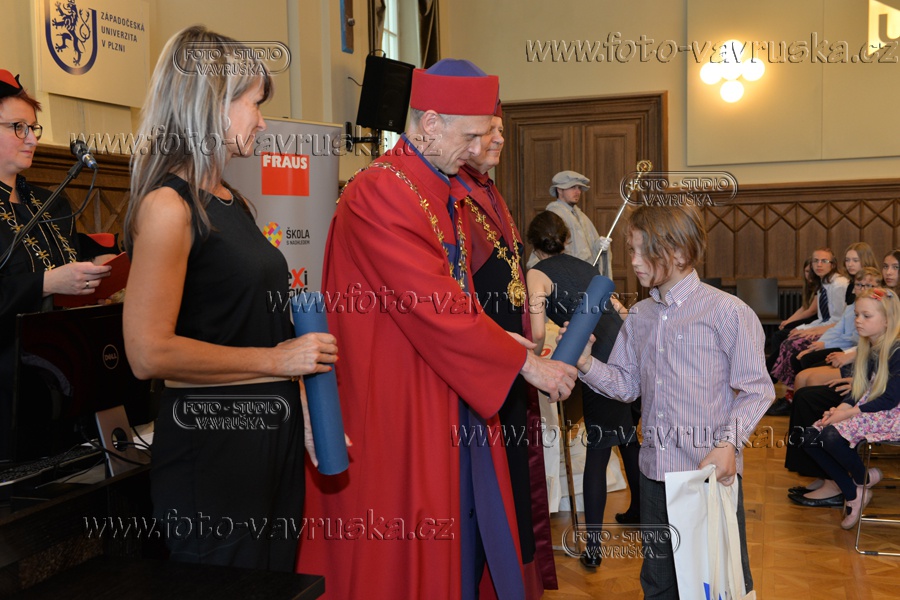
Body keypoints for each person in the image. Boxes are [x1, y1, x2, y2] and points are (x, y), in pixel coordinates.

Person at [297, 59, 577, 600]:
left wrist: (503, 341)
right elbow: (433, 303)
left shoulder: (437, 187)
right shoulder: (380, 190)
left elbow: (458, 297)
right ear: (430, 124)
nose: (476, 149)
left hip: (440, 382)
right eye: (470, 135)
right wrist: (523, 362)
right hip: (397, 398)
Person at [121, 26, 338, 571]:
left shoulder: (230, 201)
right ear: (211, 104)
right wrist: (277, 362)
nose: (262, 122)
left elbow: (251, 325)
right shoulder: (168, 207)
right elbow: (147, 353)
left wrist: (303, 412)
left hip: (268, 439)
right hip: (214, 447)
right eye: (254, 104)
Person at [568, 203, 773, 598]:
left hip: (705, 473)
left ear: (679, 252)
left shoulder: (727, 312)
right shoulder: (640, 316)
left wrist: (728, 444)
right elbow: (626, 384)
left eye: (644, 251)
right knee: (658, 581)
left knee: (717, 581)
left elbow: (756, 389)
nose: (634, 261)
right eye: (631, 250)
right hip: (654, 473)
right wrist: (585, 363)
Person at [454, 104, 556, 594]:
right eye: (488, 129)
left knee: (515, 481)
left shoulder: (490, 194)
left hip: (513, 364)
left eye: (500, 129)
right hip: (482, 368)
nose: (498, 138)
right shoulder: (452, 196)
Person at [0, 69, 114, 460]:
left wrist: (102, 265)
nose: (32, 138)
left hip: (68, 370)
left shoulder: (51, 202)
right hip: (9, 387)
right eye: (18, 127)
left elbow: (75, 254)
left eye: (33, 127)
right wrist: (46, 283)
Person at [525, 210, 641, 570]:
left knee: (599, 448)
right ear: (566, 239)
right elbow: (620, 310)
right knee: (627, 436)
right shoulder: (586, 266)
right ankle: (640, 509)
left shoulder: (535, 273)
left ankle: (593, 546)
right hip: (626, 348)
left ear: (533, 246)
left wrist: (532, 359)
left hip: (597, 358)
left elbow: (537, 332)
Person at [802, 287, 900, 529]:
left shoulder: (896, 351)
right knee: (808, 436)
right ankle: (857, 489)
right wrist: (838, 410)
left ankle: (859, 484)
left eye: (866, 316)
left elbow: (890, 399)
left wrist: (847, 413)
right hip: (869, 409)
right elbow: (858, 390)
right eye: (857, 314)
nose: (858, 320)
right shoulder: (868, 347)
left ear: (887, 321)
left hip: (891, 414)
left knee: (830, 436)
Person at [768, 247, 849, 415]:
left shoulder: (840, 284)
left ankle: (786, 394)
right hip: (827, 326)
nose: (819, 265)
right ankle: (777, 388)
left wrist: (812, 331)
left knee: (792, 346)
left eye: (824, 261)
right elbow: (823, 317)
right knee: (789, 338)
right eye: (815, 261)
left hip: (836, 332)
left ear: (833, 264)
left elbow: (839, 320)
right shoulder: (824, 283)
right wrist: (802, 328)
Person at [526, 170, 609, 269]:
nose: (578, 192)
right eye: (573, 187)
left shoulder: (581, 216)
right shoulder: (553, 216)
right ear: (559, 190)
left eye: (579, 188)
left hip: (583, 274)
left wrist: (599, 246)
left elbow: (589, 254)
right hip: (566, 274)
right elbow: (543, 254)